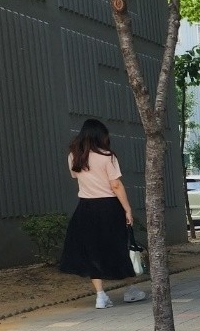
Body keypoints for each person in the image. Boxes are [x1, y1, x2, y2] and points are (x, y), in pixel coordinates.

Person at [58, 118, 146, 308]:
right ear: (100, 136)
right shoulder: (108, 156)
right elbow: (115, 184)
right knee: (118, 247)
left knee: (92, 251)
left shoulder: (74, 156)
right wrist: (127, 209)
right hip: (109, 207)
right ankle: (130, 290)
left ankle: (100, 295)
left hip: (86, 208)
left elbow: (76, 177)